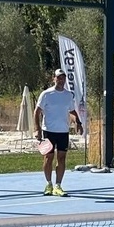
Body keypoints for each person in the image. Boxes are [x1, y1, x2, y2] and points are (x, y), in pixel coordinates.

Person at [34, 68, 83, 196]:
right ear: (54, 78)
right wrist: (37, 129)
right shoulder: (46, 94)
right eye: (59, 77)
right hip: (48, 131)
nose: (61, 80)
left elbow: (72, 112)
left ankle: (58, 186)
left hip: (63, 132)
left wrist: (78, 122)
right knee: (48, 158)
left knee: (61, 158)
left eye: (63, 78)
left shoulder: (68, 95)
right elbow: (37, 112)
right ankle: (49, 184)